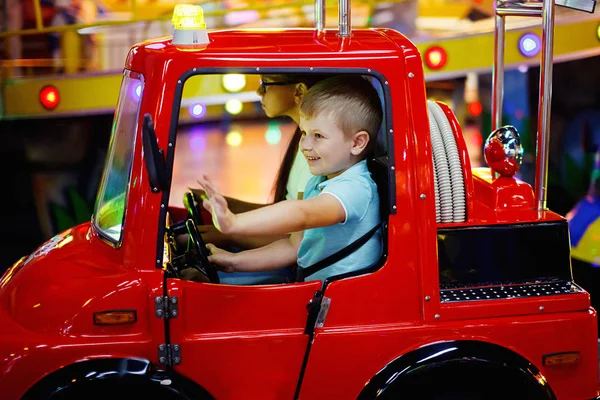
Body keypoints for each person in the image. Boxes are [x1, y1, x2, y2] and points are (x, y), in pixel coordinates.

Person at [197, 75, 383, 283]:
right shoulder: (321, 180)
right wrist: (233, 261)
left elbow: (301, 213)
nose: (305, 145)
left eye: (318, 136)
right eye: (304, 133)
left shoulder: (356, 187)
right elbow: (294, 246)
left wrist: (234, 224)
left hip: (344, 307)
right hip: (316, 294)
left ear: (357, 142)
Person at [191, 74, 328, 250]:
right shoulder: (302, 139)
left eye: (265, 84)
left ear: (299, 91)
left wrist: (227, 235)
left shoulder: (313, 157)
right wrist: (223, 204)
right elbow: (281, 212)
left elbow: (294, 238)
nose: (258, 91)